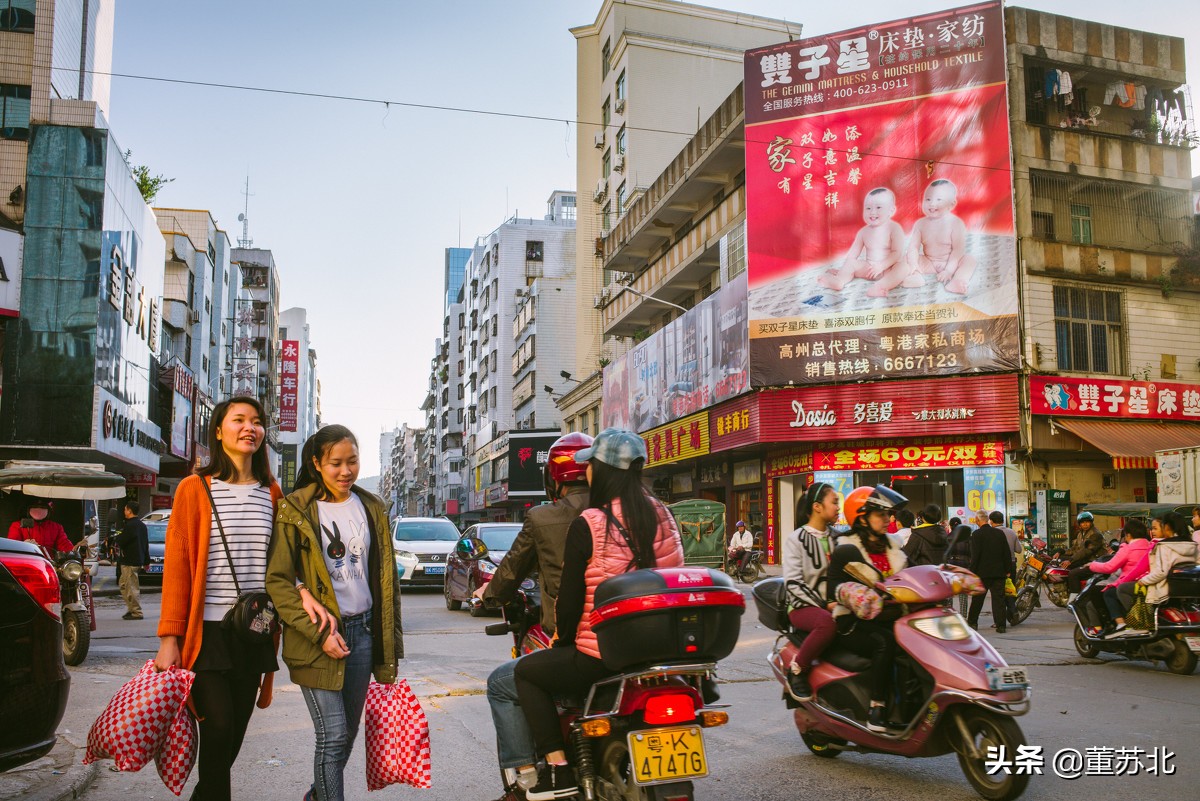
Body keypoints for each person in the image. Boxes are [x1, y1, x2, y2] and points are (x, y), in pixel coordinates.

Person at [512, 429, 684, 800]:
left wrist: (562, 642)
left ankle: (557, 770)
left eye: (590, 464)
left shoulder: (590, 522)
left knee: (526, 673)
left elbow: (570, 604)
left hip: (606, 656)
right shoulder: (667, 517)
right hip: (662, 654)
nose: (586, 471)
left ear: (604, 470)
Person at [155, 397, 290, 801]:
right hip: (207, 634)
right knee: (217, 729)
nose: (250, 427)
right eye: (239, 420)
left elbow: (282, 567)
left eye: (257, 421)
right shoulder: (193, 489)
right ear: (218, 431)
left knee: (230, 740)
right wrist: (169, 638)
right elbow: (177, 567)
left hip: (254, 631)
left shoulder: (272, 493)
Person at [266, 425, 404, 801]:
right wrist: (319, 633)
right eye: (336, 463)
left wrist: (389, 639)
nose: (346, 471)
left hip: (362, 633)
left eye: (353, 461)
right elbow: (278, 580)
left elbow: (383, 580)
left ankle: (317, 796)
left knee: (348, 733)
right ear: (316, 463)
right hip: (317, 636)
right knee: (332, 735)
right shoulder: (296, 510)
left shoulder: (371, 506)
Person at [475, 432, 593, 801]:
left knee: (503, 684)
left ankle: (528, 778)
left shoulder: (543, 517)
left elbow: (510, 572)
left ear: (554, 478)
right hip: (635, 636)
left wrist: (488, 594)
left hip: (580, 640)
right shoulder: (621, 510)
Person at [826, 485, 908, 733]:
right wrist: (854, 594)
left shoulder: (894, 546)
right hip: (854, 623)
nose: (887, 520)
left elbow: (916, 571)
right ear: (861, 518)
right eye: (880, 514)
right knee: (885, 642)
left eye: (888, 514)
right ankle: (877, 707)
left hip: (894, 616)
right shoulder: (845, 548)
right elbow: (833, 588)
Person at [780, 482, 840, 700]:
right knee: (827, 623)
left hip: (836, 604)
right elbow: (793, 584)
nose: (838, 507)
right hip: (801, 607)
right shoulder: (796, 539)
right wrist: (825, 604)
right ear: (817, 507)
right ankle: (797, 670)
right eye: (834, 502)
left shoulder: (838, 538)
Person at [817, 187, 919, 297]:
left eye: (878, 207)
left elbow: (896, 253)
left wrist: (881, 266)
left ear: (891, 211)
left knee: (904, 267)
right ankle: (839, 280)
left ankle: (881, 287)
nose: (872, 212)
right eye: (868, 208)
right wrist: (843, 270)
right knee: (851, 263)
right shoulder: (863, 232)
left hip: (889, 268)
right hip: (869, 269)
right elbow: (852, 255)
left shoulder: (895, 228)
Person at [904, 178, 976, 295]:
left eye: (939, 199)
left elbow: (958, 250)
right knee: (906, 257)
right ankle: (915, 276)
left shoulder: (956, 223)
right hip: (929, 262)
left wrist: (948, 270)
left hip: (950, 262)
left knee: (969, 260)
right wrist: (913, 264)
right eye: (928, 199)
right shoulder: (920, 224)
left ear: (951, 204)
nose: (932, 203)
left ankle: (958, 280)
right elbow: (913, 247)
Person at [1088, 520, 1152, 637]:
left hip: (1128, 584)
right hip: (1147, 583)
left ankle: (1112, 624)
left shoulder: (1128, 548)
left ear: (1128, 535)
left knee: (1099, 592)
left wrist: (1092, 565)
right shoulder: (1151, 546)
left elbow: (1109, 567)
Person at [1137, 512, 1200, 607]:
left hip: (1166, 591)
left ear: (1167, 526)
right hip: (1189, 592)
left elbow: (1161, 572)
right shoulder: (1192, 544)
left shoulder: (1164, 545)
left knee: (1124, 589)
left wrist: (1142, 581)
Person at [967, 515, 1014, 634]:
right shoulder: (999, 533)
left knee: (977, 599)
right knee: (999, 600)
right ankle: (1001, 625)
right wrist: (1007, 569)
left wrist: (971, 572)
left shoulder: (976, 534)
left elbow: (975, 556)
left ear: (978, 520)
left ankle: (973, 622)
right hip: (998, 572)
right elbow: (1006, 553)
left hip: (981, 573)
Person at [116, 500, 149, 621]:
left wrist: (117, 537)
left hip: (130, 560)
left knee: (131, 588)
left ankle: (136, 612)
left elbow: (121, 540)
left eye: (125, 509)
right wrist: (146, 561)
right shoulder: (142, 525)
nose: (124, 511)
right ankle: (131, 609)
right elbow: (146, 544)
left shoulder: (130, 525)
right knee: (124, 585)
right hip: (136, 559)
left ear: (129, 510)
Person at [7, 499, 75, 554]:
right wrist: (23, 546)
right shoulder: (17, 526)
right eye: (35, 507)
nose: (39, 510)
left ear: (48, 510)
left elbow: (65, 546)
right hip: (26, 562)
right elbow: (11, 547)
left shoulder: (56, 527)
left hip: (49, 563)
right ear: (28, 509)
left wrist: (76, 549)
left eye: (42, 507)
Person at [1061, 511, 1105, 596]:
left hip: (1095, 562)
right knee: (1061, 563)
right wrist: (1061, 552)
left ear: (1091, 523)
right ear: (1079, 524)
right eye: (1082, 522)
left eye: (1087, 522)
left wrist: (1071, 560)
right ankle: (1065, 590)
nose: (1085, 524)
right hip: (1085, 560)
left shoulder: (1096, 534)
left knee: (1073, 574)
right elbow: (1075, 549)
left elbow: (1086, 551)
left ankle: (1075, 599)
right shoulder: (1080, 534)